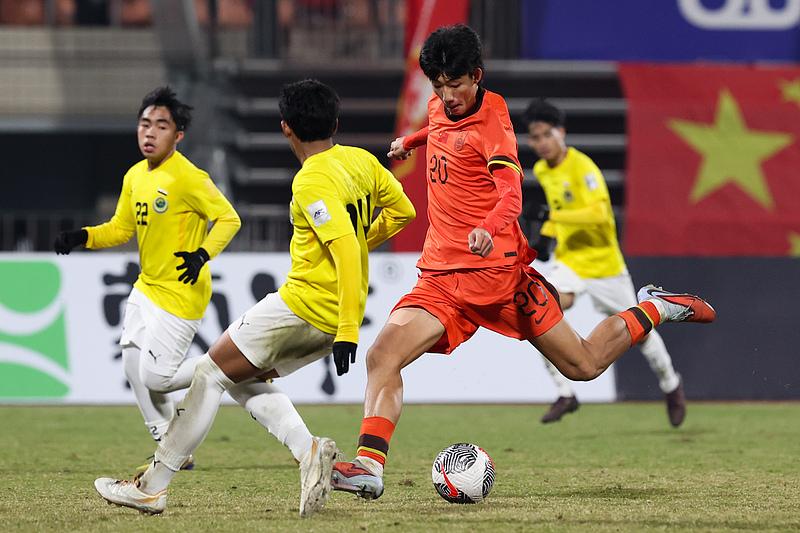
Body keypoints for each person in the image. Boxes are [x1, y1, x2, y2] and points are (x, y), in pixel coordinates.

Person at [329, 24, 715, 501]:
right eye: (438, 85)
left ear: (477, 75)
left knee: (584, 365)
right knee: (382, 355)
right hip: (443, 279)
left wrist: (487, 229)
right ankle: (369, 466)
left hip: (501, 278)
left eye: (456, 84)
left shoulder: (494, 125)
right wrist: (412, 141)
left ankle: (656, 306)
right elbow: (443, 127)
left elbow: (511, 195)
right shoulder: (440, 105)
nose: (447, 95)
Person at [92, 79, 416, 517]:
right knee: (241, 378)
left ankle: (152, 486)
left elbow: (343, 247)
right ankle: (312, 454)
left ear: (285, 128)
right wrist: (359, 253)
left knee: (208, 374)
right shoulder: (361, 161)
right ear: (336, 123)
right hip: (332, 316)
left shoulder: (310, 181)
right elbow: (403, 211)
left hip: (302, 308)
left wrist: (348, 330)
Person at [55, 87, 242, 463]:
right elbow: (121, 229)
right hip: (148, 286)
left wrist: (202, 254)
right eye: (144, 124)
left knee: (156, 377)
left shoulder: (188, 177)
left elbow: (229, 218)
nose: (150, 132)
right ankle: (169, 442)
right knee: (131, 361)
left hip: (182, 290)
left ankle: (230, 364)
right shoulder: (135, 176)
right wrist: (82, 237)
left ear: (178, 135)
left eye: (161, 125)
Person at [525, 98, 687, 426]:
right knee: (539, 311)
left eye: (546, 135)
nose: (541, 143)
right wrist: (545, 236)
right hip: (570, 261)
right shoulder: (543, 169)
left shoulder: (583, 168)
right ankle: (565, 394)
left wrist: (553, 217)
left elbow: (599, 215)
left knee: (641, 332)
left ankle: (671, 384)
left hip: (604, 266)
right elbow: (561, 211)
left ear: (561, 133)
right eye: (535, 137)